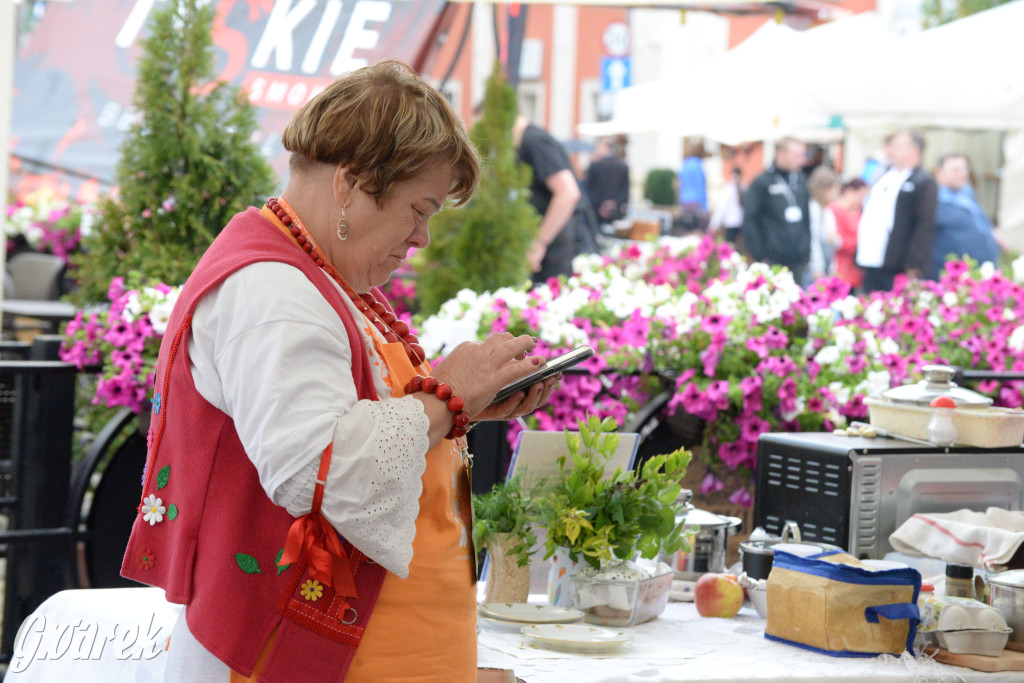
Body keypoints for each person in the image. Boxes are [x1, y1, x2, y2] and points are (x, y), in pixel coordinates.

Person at [121, 61, 559, 683]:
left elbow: (356, 420)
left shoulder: (315, 271)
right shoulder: (272, 289)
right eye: (420, 208)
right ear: (351, 184)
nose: (423, 237)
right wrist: (448, 393)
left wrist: (461, 406)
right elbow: (314, 467)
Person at [856, 130, 937, 292]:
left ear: (913, 150)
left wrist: (914, 263)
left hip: (896, 261)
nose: (890, 151)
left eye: (896, 146)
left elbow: (925, 224)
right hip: (871, 257)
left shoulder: (923, 180)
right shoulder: (885, 174)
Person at [514, 114, 583, 284]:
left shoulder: (534, 141)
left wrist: (538, 243)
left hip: (558, 255)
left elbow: (568, 193)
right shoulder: (531, 140)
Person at [741, 137, 812, 283]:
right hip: (773, 260)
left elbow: (806, 217)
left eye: (803, 155)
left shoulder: (800, 180)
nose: (802, 160)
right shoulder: (762, 182)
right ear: (781, 154)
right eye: (797, 155)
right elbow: (750, 220)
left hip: (798, 259)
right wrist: (759, 255)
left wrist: (806, 250)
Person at [930, 153, 1001, 279]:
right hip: (951, 276)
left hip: (980, 271)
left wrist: (992, 232)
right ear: (938, 172)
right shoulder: (931, 200)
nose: (962, 174)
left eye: (965, 169)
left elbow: (980, 221)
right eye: (955, 169)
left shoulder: (966, 195)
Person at [829, 178, 868, 291]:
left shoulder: (858, 213)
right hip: (839, 270)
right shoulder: (833, 211)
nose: (862, 201)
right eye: (860, 196)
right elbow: (838, 242)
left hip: (856, 272)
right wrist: (858, 242)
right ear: (849, 191)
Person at [806, 166, 842, 284]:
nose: (837, 193)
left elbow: (836, 241)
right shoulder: (813, 209)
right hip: (814, 270)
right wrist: (817, 267)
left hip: (826, 267)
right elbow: (813, 240)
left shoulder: (827, 212)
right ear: (823, 189)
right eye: (834, 188)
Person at [584, 137, 630, 227]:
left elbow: (589, 190)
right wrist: (613, 203)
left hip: (596, 211)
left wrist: (601, 206)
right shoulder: (623, 166)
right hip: (616, 210)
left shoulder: (595, 165)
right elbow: (625, 191)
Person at [709, 167, 744, 244]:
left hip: (731, 223)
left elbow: (721, 208)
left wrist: (713, 225)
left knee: (730, 247)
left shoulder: (728, 189)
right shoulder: (743, 188)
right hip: (740, 223)